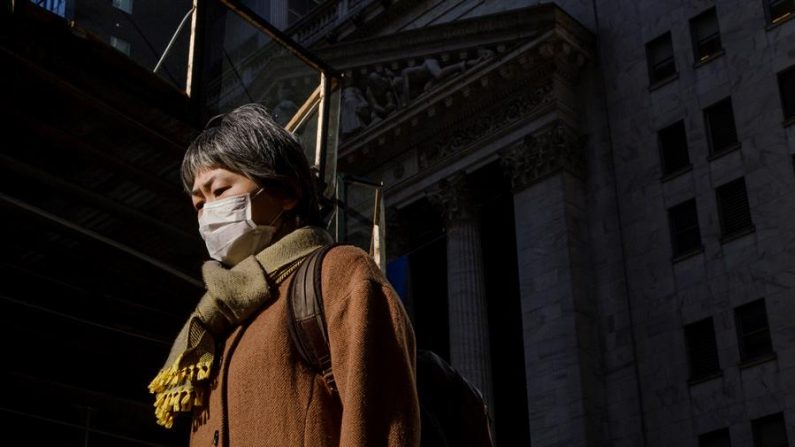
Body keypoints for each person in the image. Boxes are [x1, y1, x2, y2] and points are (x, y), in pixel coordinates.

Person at [148, 103, 420, 447]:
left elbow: (384, 426)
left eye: (219, 191)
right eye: (199, 204)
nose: (208, 215)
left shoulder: (338, 274)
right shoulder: (216, 325)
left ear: (287, 192)